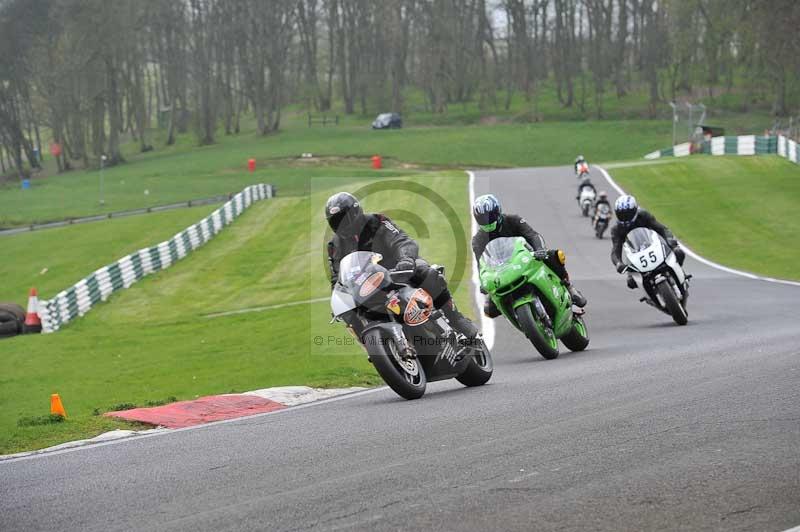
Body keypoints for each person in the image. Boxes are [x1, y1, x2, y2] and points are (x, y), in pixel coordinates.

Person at [325, 192, 478, 339]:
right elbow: (337, 276)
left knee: (426, 273)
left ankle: (456, 318)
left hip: (398, 269)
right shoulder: (334, 245)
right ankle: (374, 347)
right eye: (336, 221)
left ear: (355, 212)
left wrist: (405, 259)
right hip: (367, 286)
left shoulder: (377, 221)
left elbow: (401, 240)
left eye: (344, 219)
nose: (342, 224)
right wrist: (339, 298)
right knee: (350, 315)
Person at [471, 194, 587, 318]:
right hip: (501, 272)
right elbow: (480, 264)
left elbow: (533, 235)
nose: (487, 221)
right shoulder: (478, 240)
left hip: (527, 258)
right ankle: (518, 317)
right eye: (482, 219)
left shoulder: (513, 220)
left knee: (555, 256)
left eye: (489, 217)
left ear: (498, 211)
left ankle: (570, 288)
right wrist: (483, 282)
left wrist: (539, 250)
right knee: (489, 310)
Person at [610, 194, 685, 289]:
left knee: (679, 253)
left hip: (653, 246)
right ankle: (650, 295)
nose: (625, 217)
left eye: (627, 214)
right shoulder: (616, 229)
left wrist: (671, 242)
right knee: (631, 282)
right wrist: (618, 263)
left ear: (634, 210)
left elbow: (661, 229)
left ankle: (680, 273)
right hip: (635, 256)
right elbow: (615, 250)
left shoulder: (643, 215)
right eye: (621, 214)